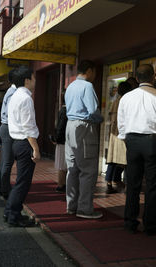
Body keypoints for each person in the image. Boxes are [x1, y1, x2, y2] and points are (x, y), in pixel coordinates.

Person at [117, 64, 156, 235]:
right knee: (153, 185)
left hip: (132, 141)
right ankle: (150, 225)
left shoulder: (126, 98)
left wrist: (127, 140)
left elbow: (121, 124)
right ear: (154, 76)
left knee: (132, 184)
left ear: (137, 77)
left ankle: (130, 222)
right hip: (153, 142)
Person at [65, 60, 104, 219]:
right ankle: (85, 209)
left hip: (70, 126)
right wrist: (100, 119)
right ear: (89, 71)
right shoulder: (87, 86)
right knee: (88, 170)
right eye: (94, 72)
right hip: (84, 127)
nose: (95, 75)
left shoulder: (71, 86)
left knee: (73, 168)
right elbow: (93, 110)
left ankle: (71, 206)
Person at [4, 66, 40, 227]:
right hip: (25, 143)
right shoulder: (25, 98)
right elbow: (28, 126)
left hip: (17, 142)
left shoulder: (15, 96)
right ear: (26, 80)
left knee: (20, 181)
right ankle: (14, 216)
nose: (35, 81)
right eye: (33, 78)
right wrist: (36, 149)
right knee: (23, 183)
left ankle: (10, 212)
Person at [105, 81, 132, 194]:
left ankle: (110, 182)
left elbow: (111, 117)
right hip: (122, 134)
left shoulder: (115, 101)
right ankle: (117, 182)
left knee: (113, 159)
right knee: (124, 160)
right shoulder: (126, 101)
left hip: (113, 133)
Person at [0, 69, 17, 199]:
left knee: (5, 159)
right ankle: (5, 189)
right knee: (8, 161)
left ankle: (2, 186)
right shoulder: (13, 92)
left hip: (6, 127)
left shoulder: (11, 91)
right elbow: (11, 113)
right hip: (8, 127)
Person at [51, 93, 67, 193]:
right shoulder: (65, 111)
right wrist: (57, 139)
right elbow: (61, 127)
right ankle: (61, 184)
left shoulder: (63, 110)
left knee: (62, 164)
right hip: (63, 141)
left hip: (62, 141)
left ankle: (62, 184)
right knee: (62, 164)